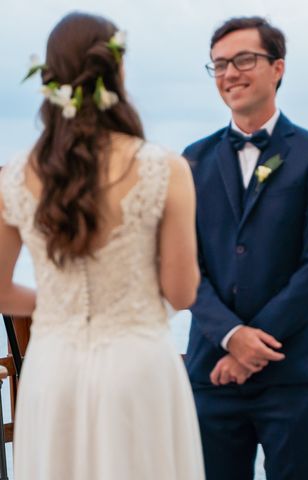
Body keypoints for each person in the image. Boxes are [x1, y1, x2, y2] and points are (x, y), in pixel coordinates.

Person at [0, 12, 204, 480]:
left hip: (52, 371)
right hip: (139, 366)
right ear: (116, 72)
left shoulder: (15, 176)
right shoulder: (164, 168)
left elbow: (1, 289)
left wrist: (56, 303)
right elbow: (181, 292)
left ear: (50, 78)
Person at [182, 16, 308, 480]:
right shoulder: (192, 160)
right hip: (212, 370)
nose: (229, 73)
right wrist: (231, 338)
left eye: (242, 60)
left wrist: (253, 346)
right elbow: (186, 266)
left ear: (277, 68)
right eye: (218, 65)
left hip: (291, 371)